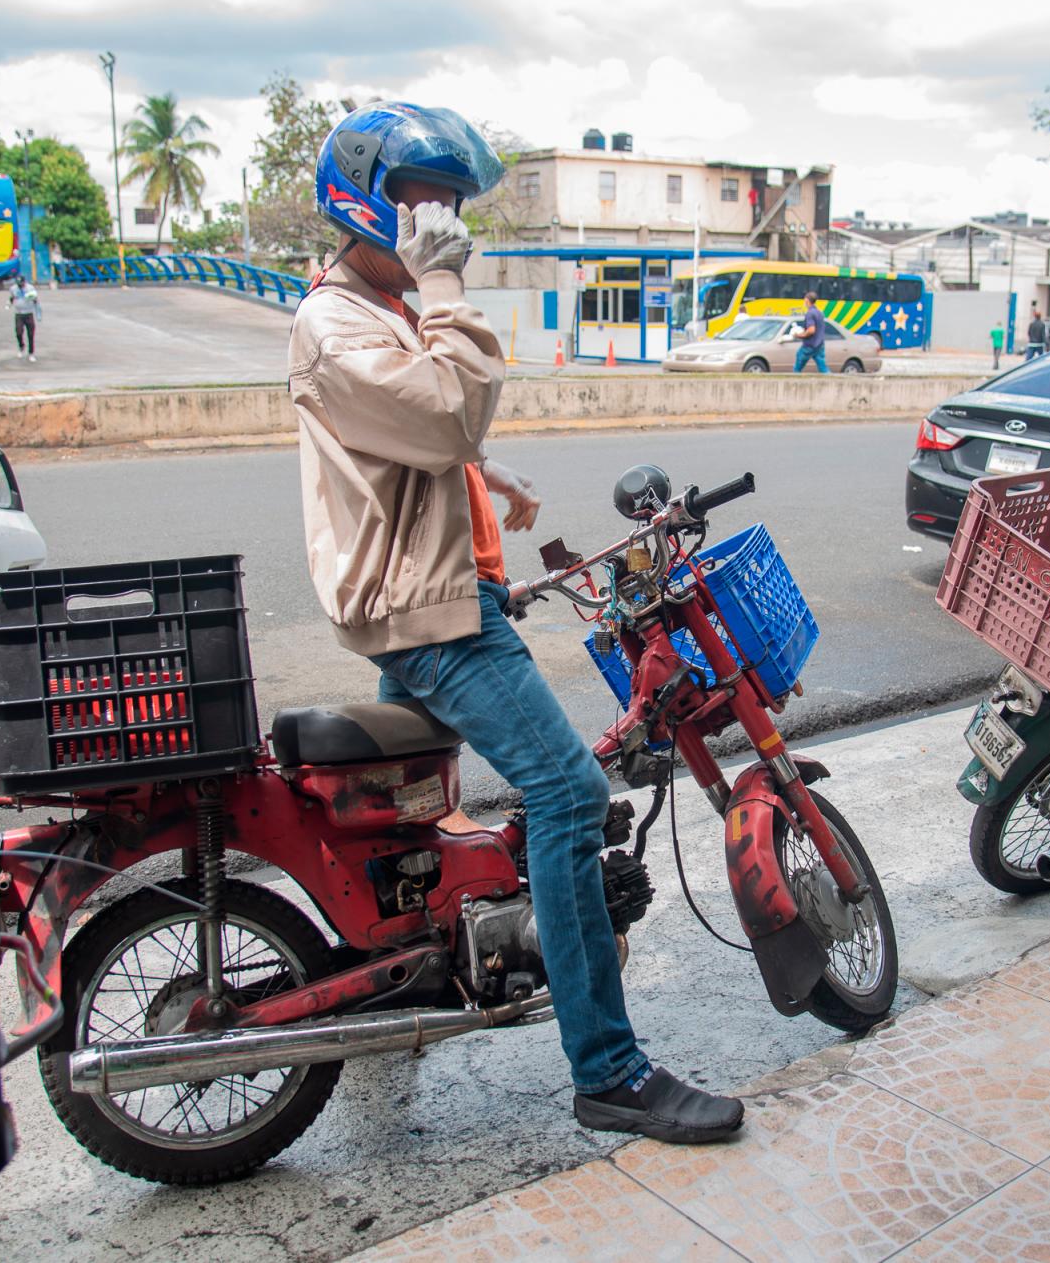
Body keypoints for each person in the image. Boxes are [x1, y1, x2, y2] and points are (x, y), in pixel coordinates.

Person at [288, 102, 744, 1144]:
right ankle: (609, 1069)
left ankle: (399, 977)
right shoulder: (337, 321)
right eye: (427, 203)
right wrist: (448, 290)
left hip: (439, 595)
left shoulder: (374, 306)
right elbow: (445, 409)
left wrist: (485, 474)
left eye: (453, 205)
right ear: (368, 202)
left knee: (406, 819)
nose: (444, 223)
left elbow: (416, 428)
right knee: (569, 794)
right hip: (432, 619)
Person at [9, 275, 41, 361]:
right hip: (19, 313)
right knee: (18, 332)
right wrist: (8, 305)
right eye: (18, 284)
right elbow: (11, 297)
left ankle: (31, 353)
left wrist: (38, 314)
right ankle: (21, 346)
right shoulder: (13, 288)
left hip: (28, 313)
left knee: (30, 334)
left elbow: (35, 301)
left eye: (21, 284)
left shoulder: (30, 288)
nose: (20, 285)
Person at [794, 291, 828, 374]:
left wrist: (800, 335)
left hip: (809, 345)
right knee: (823, 368)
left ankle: (795, 379)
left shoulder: (810, 313)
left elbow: (811, 330)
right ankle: (831, 379)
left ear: (807, 300)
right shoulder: (820, 313)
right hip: (819, 344)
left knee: (798, 366)